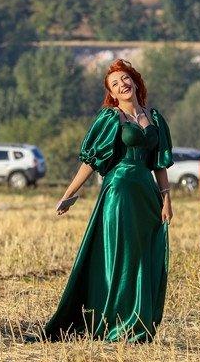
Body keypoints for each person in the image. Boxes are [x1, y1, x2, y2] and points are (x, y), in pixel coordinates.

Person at [46, 59, 174, 343]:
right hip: (118, 193)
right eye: (115, 84)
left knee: (143, 256)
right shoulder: (111, 118)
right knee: (119, 257)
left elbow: (159, 164)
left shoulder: (154, 117)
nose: (122, 85)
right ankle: (112, 322)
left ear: (135, 81)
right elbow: (89, 163)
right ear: (112, 94)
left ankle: (137, 322)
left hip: (147, 195)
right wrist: (68, 194)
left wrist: (166, 199)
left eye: (125, 78)